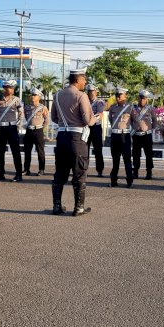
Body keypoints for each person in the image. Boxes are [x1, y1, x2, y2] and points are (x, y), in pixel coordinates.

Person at [50, 69, 96, 216]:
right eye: (84, 79)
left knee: (60, 173)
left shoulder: (57, 95)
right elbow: (88, 120)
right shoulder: (81, 96)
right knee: (79, 172)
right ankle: (78, 208)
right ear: (78, 80)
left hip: (62, 137)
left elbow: (54, 118)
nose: (85, 82)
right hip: (77, 139)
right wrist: (97, 118)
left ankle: (57, 206)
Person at [0, 80, 25, 182]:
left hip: (12, 128)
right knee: (0, 152)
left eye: (12, 88)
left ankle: (19, 175)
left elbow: (21, 114)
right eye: (9, 88)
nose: (11, 90)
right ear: (4, 88)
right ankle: (1, 174)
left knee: (15, 152)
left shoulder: (17, 100)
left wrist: (18, 126)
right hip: (1, 128)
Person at [107, 87, 134, 188]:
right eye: (117, 96)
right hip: (115, 135)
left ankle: (129, 181)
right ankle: (114, 181)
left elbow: (135, 121)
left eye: (120, 96)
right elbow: (111, 120)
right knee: (115, 160)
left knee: (127, 159)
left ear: (125, 96)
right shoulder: (112, 107)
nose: (118, 97)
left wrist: (131, 131)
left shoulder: (130, 108)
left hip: (125, 135)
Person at [131, 89, 157, 180]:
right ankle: (135, 172)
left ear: (147, 99)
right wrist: (134, 128)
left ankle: (149, 172)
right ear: (139, 98)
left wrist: (151, 129)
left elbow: (154, 121)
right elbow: (130, 120)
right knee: (136, 154)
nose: (142, 100)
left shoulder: (150, 109)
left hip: (147, 135)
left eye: (144, 98)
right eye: (141, 98)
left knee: (149, 154)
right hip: (136, 135)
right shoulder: (133, 108)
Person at [23, 88, 49, 176]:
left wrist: (41, 128)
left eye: (35, 95)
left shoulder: (43, 108)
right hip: (29, 130)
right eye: (32, 95)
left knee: (40, 151)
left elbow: (47, 120)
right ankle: (26, 169)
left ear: (39, 97)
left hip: (38, 130)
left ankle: (41, 169)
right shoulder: (26, 107)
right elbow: (25, 118)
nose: (32, 97)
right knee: (27, 151)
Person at [86, 83, 106, 177]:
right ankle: (83, 169)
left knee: (98, 150)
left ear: (96, 92)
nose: (91, 93)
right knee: (84, 150)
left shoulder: (99, 102)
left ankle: (100, 169)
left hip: (95, 127)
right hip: (86, 128)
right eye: (89, 91)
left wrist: (90, 119)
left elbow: (100, 114)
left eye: (93, 91)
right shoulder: (84, 101)